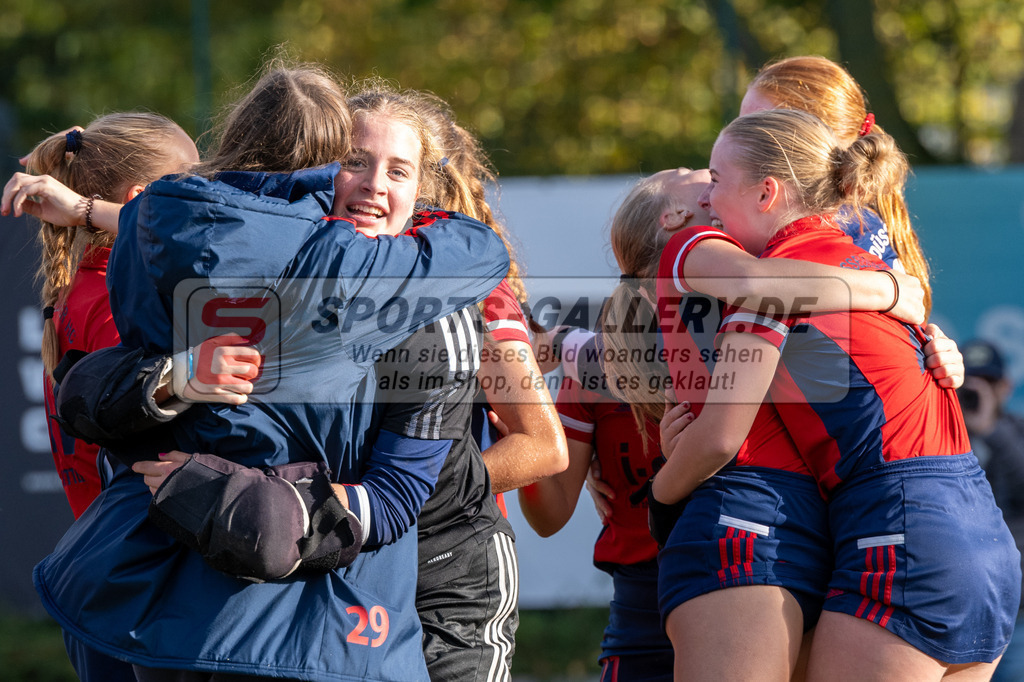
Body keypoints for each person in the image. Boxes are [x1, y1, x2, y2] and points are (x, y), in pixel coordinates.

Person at [33, 62, 509, 682]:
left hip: (308, 627)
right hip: (177, 616)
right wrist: (167, 381)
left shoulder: (427, 305)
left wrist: (246, 503)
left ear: (423, 191)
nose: (371, 186)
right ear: (316, 170)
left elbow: (396, 496)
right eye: (355, 161)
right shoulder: (167, 258)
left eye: (398, 171)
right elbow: (86, 393)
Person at [654, 108, 1018, 680]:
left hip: (901, 525)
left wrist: (662, 492)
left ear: (767, 192)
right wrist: (899, 287)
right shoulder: (866, 262)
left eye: (716, 180)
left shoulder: (778, 280)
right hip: (981, 535)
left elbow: (720, 437)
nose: (710, 200)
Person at [22, 113, 198, 682]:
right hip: (138, 593)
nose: (209, 194)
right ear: (144, 198)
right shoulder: (117, 298)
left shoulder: (96, 285)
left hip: (112, 584)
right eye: (192, 180)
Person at [958, 339, 1024, 682]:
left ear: (1006, 387)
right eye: (968, 381)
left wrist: (989, 430)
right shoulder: (936, 438)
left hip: (1016, 617)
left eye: (987, 381)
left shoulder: (1017, 434)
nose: (975, 390)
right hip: (949, 612)